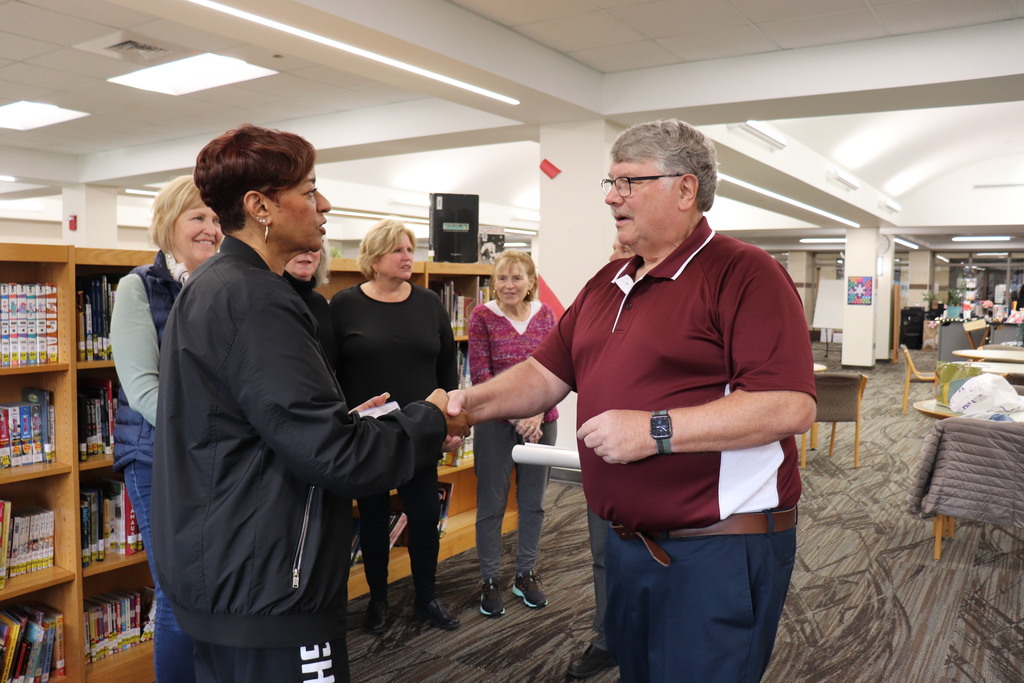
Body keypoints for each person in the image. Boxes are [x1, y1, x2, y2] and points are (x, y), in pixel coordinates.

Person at [448, 119, 816, 682]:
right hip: (628, 547)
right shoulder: (608, 280)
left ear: (685, 189)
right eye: (610, 182)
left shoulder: (745, 273)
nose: (612, 197)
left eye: (629, 182)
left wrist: (656, 430)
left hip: (715, 550)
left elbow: (788, 406)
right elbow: (543, 374)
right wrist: (464, 406)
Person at [151, 124, 468, 683]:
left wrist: (350, 420)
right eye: (310, 189)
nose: (324, 205)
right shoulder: (258, 302)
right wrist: (430, 418)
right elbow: (338, 459)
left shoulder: (214, 285)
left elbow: (256, 426)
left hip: (229, 573)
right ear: (260, 207)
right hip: (270, 584)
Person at [110, 174, 222, 683]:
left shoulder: (225, 287)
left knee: (213, 588)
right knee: (178, 594)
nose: (211, 229)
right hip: (157, 457)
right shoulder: (139, 287)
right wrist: (211, 438)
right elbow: (144, 390)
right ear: (169, 224)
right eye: (198, 217)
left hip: (215, 458)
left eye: (218, 219)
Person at [329, 218, 461, 634]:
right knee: (371, 518)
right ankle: (378, 601)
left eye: (411, 249)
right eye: (399, 250)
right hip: (368, 435)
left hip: (420, 433)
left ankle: (426, 598)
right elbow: (329, 373)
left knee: (424, 516)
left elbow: (447, 371)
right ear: (375, 258)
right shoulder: (345, 305)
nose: (409, 257)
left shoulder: (429, 304)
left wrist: (451, 421)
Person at [469, 250, 558, 617]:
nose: (509, 285)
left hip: (541, 422)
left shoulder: (546, 315)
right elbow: (480, 377)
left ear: (530, 282)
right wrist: (515, 414)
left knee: (533, 502)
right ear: (494, 282)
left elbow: (555, 372)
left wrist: (535, 413)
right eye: (502, 278)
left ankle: (526, 573)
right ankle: (490, 580)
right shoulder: (482, 316)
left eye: (517, 278)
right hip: (495, 425)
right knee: (491, 504)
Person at [565, 240, 633, 678]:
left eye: (626, 248)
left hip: (663, 466)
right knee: (603, 553)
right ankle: (607, 637)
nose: (619, 255)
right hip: (602, 463)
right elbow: (556, 368)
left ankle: (643, 637)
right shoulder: (596, 302)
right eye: (615, 248)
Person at [284, 236, 335, 363]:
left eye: (314, 246)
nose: (307, 251)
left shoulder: (321, 303)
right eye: (297, 245)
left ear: (321, 256)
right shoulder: (271, 299)